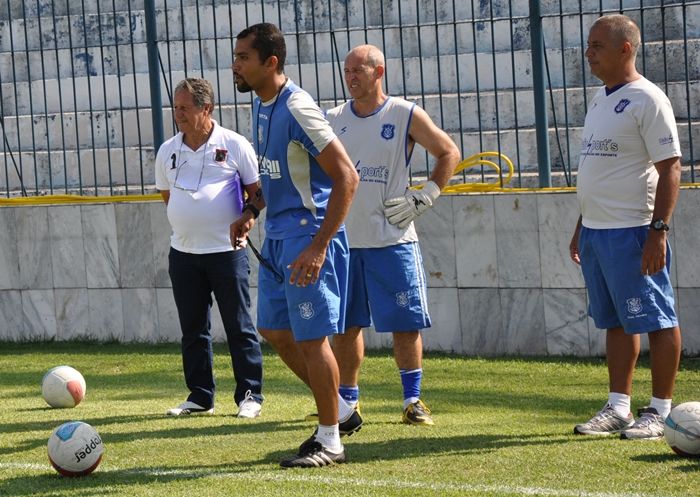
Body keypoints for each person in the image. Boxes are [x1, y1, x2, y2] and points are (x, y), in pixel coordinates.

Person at [231, 23, 360, 467]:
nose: (236, 65)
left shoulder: (298, 107)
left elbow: (346, 177)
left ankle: (331, 440)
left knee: (311, 339)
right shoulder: (261, 104)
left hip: (309, 237)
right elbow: (276, 175)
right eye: (236, 56)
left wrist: (320, 245)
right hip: (280, 239)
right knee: (276, 331)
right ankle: (340, 412)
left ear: (271, 62)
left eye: (244, 57)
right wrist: (251, 213)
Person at [320, 45, 460, 426]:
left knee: (405, 322)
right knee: (346, 327)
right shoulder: (332, 119)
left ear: (378, 71)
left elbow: (448, 152)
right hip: (346, 241)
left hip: (393, 240)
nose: (350, 77)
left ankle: (413, 400)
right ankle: (348, 401)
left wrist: (426, 194)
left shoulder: (403, 113)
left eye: (357, 70)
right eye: (346, 70)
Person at [569, 15, 682, 440]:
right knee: (615, 321)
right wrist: (582, 224)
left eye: (597, 45)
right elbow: (598, 168)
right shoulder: (600, 99)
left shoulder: (648, 99)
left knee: (657, 318)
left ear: (626, 49)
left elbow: (671, 168)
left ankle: (660, 411)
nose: (589, 53)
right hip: (598, 231)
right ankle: (619, 406)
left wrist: (659, 230)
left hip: (634, 229)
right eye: (589, 44)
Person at [155, 78, 264, 419]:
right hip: (183, 254)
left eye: (185, 108)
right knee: (193, 329)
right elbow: (168, 197)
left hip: (226, 253)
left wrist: (248, 217)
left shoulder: (234, 144)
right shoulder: (167, 150)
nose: (179, 115)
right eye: (175, 108)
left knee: (239, 325)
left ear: (207, 109)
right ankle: (200, 396)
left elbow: (257, 194)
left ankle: (250, 395)